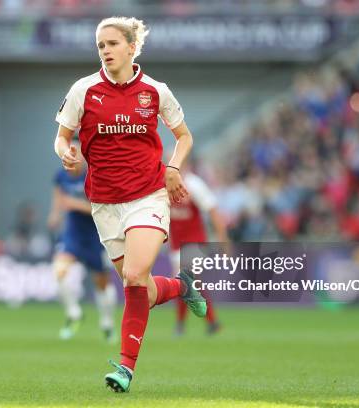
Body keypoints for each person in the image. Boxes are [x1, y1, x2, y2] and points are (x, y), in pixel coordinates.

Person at [54, 16, 206, 393]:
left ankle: (125, 367)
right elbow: (61, 137)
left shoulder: (155, 91)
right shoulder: (83, 91)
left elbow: (184, 136)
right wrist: (66, 154)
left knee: (135, 277)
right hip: (104, 204)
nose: (105, 51)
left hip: (148, 195)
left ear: (132, 47)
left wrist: (172, 168)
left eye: (111, 44)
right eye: (100, 45)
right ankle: (180, 287)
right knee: (138, 286)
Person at [47, 142, 117, 342]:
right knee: (59, 271)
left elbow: (103, 209)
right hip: (73, 234)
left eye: (77, 152)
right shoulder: (61, 176)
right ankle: (74, 313)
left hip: (97, 235)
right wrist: (55, 214)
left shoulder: (95, 176)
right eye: (70, 152)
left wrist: (75, 204)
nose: (73, 156)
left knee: (102, 284)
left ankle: (107, 323)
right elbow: (59, 197)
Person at [169, 157, 227, 336]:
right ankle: (211, 321)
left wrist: (222, 238)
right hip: (176, 243)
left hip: (195, 240)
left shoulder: (194, 184)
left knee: (185, 278)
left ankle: (181, 325)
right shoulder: (164, 183)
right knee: (188, 283)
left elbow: (213, 211)